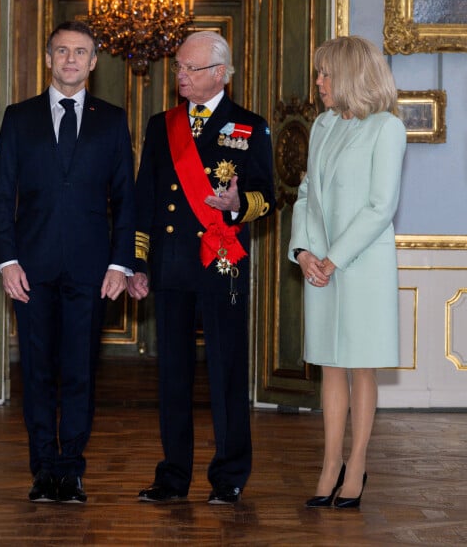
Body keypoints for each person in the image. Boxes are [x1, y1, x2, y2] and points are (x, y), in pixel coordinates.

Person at [128, 31, 275, 505]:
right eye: (178, 68)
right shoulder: (161, 124)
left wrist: (236, 206)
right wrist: (139, 261)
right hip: (171, 268)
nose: (180, 76)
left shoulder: (249, 127)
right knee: (172, 376)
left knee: (226, 373)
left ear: (220, 74)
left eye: (190, 69)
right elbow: (145, 199)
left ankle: (229, 476)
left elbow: (268, 198)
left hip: (222, 265)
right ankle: (173, 476)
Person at [0, 21, 136, 503]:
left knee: (79, 371)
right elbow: (0, 197)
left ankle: (71, 469)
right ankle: (42, 470)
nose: (70, 59)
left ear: (94, 62)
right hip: (29, 270)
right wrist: (6, 259)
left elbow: (126, 198)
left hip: (92, 272)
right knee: (36, 372)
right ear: (48, 58)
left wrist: (121, 265)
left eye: (80, 52)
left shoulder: (113, 120)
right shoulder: (18, 117)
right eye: (61, 51)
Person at [289, 36, 406, 509]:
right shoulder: (321, 125)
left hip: (360, 267)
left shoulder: (387, 129)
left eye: (326, 73)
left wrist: (333, 259)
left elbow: (381, 207)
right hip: (320, 266)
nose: (318, 82)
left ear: (353, 75)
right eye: (319, 73)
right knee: (329, 365)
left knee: (361, 364)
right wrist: (303, 253)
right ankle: (329, 463)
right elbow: (303, 194)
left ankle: (356, 463)